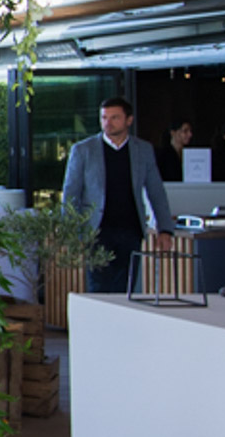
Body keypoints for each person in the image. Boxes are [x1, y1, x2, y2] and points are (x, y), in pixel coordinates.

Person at [62, 96, 175, 294]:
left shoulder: (143, 150)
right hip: (97, 231)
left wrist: (165, 228)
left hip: (131, 229)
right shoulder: (83, 150)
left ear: (128, 120)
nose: (108, 123)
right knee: (98, 287)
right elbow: (71, 194)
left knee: (126, 288)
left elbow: (156, 190)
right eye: (104, 118)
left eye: (114, 118)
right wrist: (70, 232)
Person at [154, 118, 192, 183]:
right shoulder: (163, 155)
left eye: (190, 131)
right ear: (173, 133)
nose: (190, 134)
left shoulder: (189, 154)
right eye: (185, 131)